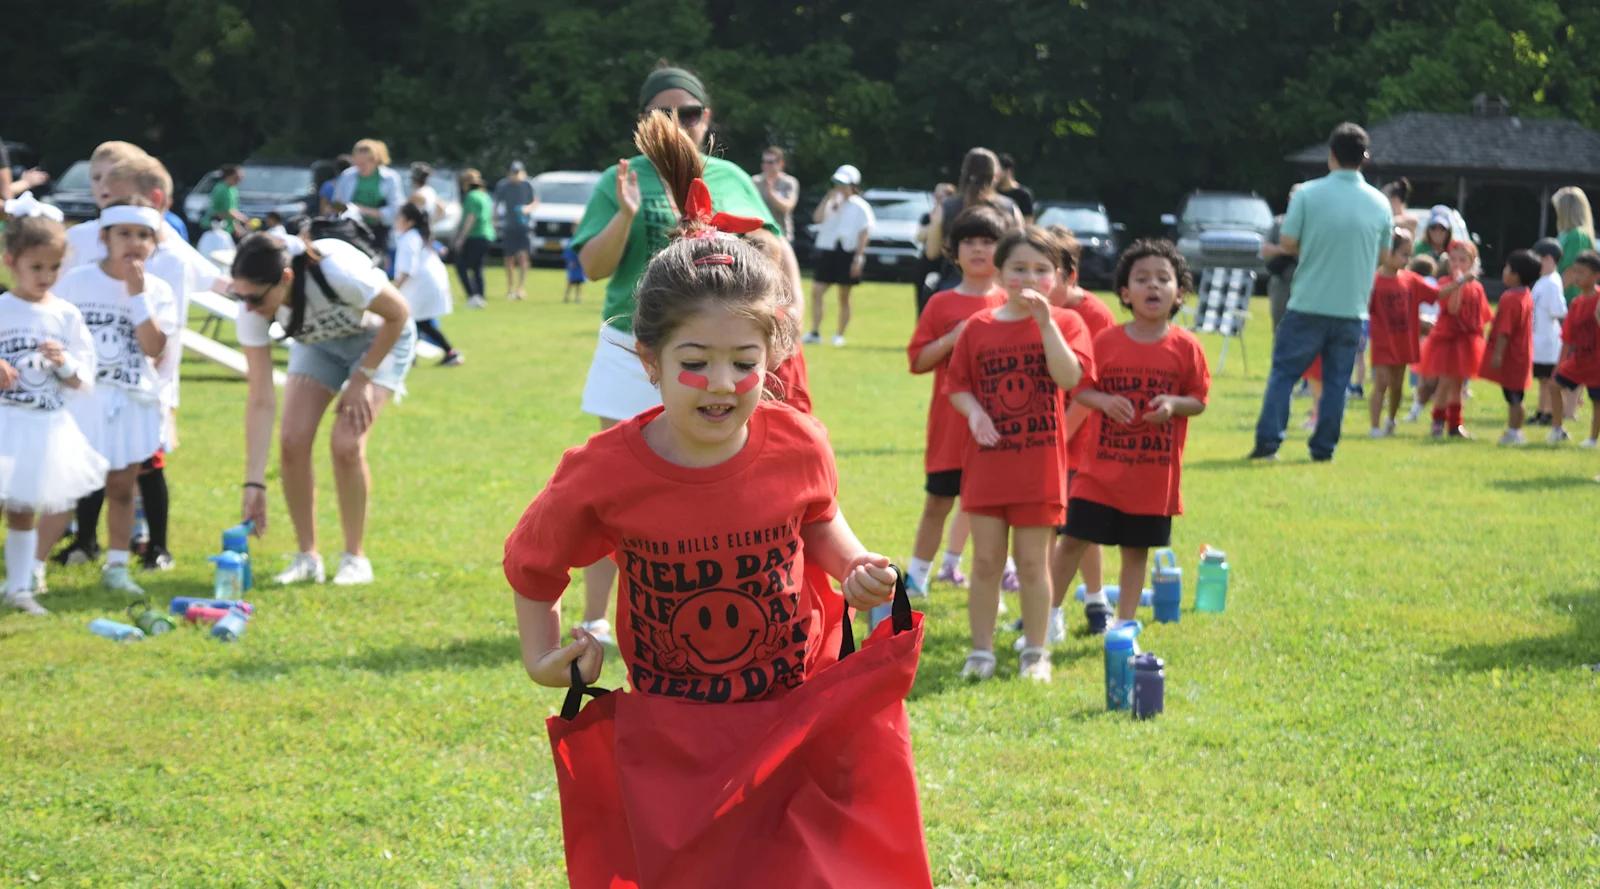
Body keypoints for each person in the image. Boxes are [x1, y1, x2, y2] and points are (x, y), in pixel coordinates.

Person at [504, 109, 906, 887]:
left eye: (743, 361)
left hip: (795, 715)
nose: (722, 384)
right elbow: (534, 564)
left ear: (774, 356)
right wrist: (540, 655)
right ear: (647, 360)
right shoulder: (603, 470)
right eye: (695, 362)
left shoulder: (798, 440)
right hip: (675, 737)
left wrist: (857, 565)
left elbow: (818, 518)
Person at [568, 64, 792, 647]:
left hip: (712, 349)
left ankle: (699, 600)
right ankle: (597, 616)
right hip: (633, 345)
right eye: (664, 114)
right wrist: (624, 212)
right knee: (619, 481)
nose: (679, 124)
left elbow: (768, 248)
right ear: (644, 121)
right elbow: (592, 268)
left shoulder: (728, 175)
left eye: (689, 113)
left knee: (714, 476)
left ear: (706, 118)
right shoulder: (620, 178)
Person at [945, 226, 1093, 682]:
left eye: (1041, 270)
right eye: (1019, 269)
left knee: (1033, 563)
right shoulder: (978, 327)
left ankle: (1036, 651)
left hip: (1039, 467)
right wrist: (973, 414)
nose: (1029, 278)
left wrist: (1046, 323)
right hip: (988, 467)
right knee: (987, 562)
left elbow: (1069, 380)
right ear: (999, 273)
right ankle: (982, 652)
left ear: (1057, 275)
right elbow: (958, 387)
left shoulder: (1067, 323)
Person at [229, 230, 416, 586]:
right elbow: (260, 398)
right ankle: (307, 557)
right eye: (241, 297)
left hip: (380, 339)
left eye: (254, 298)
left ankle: (355, 558)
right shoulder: (252, 309)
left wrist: (362, 378)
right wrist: (253, 482)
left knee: (346, 444)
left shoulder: (336, 272)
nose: (248, 307)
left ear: (285, 278)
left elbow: (399, 313)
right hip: (320, 347)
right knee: (292, 441)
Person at [1054, 239, 1209, 635]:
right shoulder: (1106, 341)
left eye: (1163, 278)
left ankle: (1123, 623)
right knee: (1073, 539)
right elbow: (1081, 390)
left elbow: (1198, 400)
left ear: (1179, 292)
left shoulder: (1187, 347)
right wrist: (1104, 401)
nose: (1152, 286)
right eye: (1142, 279)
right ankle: (1048, 615)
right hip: (1099, 472)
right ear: (1125, 293)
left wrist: (1173, 405)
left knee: (1134, 551)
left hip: (1151, 478)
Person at [35, 198, 177, 597]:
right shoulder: (77, 281)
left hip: (131, 401)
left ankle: (117, 566)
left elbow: (153, 347)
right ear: (105, 237)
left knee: (121, 486)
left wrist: (137, 294)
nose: (134, 243)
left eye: (143, 235)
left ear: (154, 243)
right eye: (124, 234)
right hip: (81, 399)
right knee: (64, 488)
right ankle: (32, 570)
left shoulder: (158, 290)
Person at [1249, 123, 1393, 463]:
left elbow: (1287, 242)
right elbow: (1387, 255)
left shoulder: (1307, 194)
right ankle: (1323, 449)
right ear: (1365, 158)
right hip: (1353, 308)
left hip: (1308, 303)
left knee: (1284, 374)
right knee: (1337, 382)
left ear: (1330, 156)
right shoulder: (1380, 203)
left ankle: (1269, 444)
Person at [0, 201, 105, 614]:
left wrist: (65, 365)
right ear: (11, 262)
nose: (45, 277)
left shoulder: (66, 315)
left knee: (24, 508)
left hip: (43, 429)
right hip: (3, 424)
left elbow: (86, 379)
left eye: (53, 267)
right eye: (36, 267)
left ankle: (20, 587)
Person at [903, 206, 1009, 598]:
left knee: (991, 513)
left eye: (988, 242)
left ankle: (992, 582)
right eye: (969, 242)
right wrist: (954, 337)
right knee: (938, 503)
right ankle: (916, 579)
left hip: (999, 429)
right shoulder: (941, 303)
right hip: (949, 428)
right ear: (954, 250)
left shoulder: (1010, 302)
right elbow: (917, 360)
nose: (979, 250)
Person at [1043, 225, 1117, 641]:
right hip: (1046, 440)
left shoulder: (1093, 315)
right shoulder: (1030, 312)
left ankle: (1095, 600)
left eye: (1044, 271)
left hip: (1081, 442)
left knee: (1081, 527)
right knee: (1053, 528)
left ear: (1068, 274)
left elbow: (1091, 389)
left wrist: (1059, 437)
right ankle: (1046, 606)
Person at [1366, 228, 1447, 437]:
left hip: (1403, 341)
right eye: (1404, 254)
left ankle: (1391, 420)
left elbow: (1436, 294)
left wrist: (1460, 283)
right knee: (1380, 383)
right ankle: (1374, 426)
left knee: (1397, 385)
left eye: (1409, 254)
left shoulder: (1410, 279)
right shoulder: (1374, 282)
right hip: (1383, 342)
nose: (1407, 259)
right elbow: (1363, 307)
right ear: (1387, 253)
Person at [923, 149, 1024, 292]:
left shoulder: (946, 207)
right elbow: (1018, 252)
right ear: (995, 175)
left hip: (954, 285)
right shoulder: (1010, 208)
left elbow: (931, 252)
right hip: (999, 289)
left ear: (964, 173)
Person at [1420, 241, 1489, 438]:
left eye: (1463, 260)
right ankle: (1438, 422)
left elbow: (1481, 316)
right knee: (1445, 382)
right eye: (1453, 260)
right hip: (1448, 341)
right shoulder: (1445, 284)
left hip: (1467, 341)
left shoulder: (1477, 288)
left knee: (1459, 384)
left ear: (1472, 263)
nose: (1457, 264)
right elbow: (1452, 309)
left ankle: (1455, 424)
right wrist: (1458, 284)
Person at [804, 165, 874, 346]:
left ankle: (839, 334)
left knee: (844, 295)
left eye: (843, 183)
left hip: (847, 253)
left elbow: (864, 233)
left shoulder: (860, 206)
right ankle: (815, 331)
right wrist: (828, 199)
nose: (839, 187)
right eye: (837, 183)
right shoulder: (831, 201)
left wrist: (859, 258)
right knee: (817, 291)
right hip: (828, 251)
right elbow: (818, 218)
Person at [1479, 249, 1540, 445]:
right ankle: (1514, 431)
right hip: (1523, 353)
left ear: (1515, 275)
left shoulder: (1509, 298)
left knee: (1513, 396)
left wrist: (1497, 355)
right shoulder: (1525, 295)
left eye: (1507, 268)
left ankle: (1514, 432)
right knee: (1516, 394)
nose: (1504, 271)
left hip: (1512, 356)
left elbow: (1505, 331)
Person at [393, 202, 462, 367]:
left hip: (423, 285)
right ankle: (413, 358)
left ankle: (448, 353)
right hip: (427, 284)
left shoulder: (409, 238)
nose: (396, 221)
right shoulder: (417, 236)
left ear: (409, 222)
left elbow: (407, 269)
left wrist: (394, 289)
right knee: (418, 322)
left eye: (400, 218)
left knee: (415, 321)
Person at [1549, 250, 1600, 446]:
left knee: (1597, 402)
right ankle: (1557, 429)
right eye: (1575, 272)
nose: (1576, 277)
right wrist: (1559, 364)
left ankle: (1593, 439)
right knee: (1554, 386)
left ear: (1596, 275)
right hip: (1579, 360)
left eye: (1582, 272)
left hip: (1597, 362)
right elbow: (1567, 337)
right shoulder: (1577, 303)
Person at [331, 140, 405, 255]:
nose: (360, 167)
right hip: (351, 230)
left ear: (376, 161)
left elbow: (396, 211)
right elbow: (336, 202)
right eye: (357, 162)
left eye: (364, 163)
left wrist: (363, 210)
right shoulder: (347, 175)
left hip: (379, 232)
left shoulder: (390, 178)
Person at [1529, 238, 1567, 427]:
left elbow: (1559, 310)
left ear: (1549, 259)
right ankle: (1541, 411)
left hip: (1548, 341)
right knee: (1542, 380)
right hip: (1539, 338)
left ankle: (1549, 412)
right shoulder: (1543, 280)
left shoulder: (1552, 282)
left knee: (1548, 379)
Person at [1261, 183, 1304, 331]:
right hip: (1281, 282)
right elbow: (1264, 249)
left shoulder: (1312, 224)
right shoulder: (1278, 222)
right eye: (1294, 198)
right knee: (1279, 325)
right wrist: (1285, 250)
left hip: (1305, 283)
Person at [494, 161, 538, 300]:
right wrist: (494, 220)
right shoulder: (503, 185)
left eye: (517, 173)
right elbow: (496, 203)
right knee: (509, 258)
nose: (515, 176)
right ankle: (510, 288)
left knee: (523, 256)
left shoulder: (528, 184)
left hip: (524, 226)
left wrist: (528, 208)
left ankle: (521, 287)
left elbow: (535, 201)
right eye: (513, 173)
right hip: (509, 226)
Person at [914, 183, 957, 316]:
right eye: (936, 195)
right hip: (927, 263)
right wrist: (935, 223)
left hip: (946, 263)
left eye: (942, 195)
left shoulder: (954, 217)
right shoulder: (927, 216)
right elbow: (919, 237)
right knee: (922, 299)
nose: (937, 198)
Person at [454, 169, 493, 308]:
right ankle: (480, 296)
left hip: (475, 235)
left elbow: (471, 218)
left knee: (461, 266)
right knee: (477, 268)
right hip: (487, 234)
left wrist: (461, 238)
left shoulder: (471, 196)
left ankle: (472, 296)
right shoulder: (485, 195)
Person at [1553, 187, 1595, 304]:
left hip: (1568, 300)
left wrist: (1553, 295)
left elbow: (1571, 271)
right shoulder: (1565, 234)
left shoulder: (1576, 235)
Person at [752, 146, 799, 241]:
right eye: (764, 161)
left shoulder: (789, 182)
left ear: (781, 164)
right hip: (759, 235)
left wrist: (771, 194)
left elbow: (787, 208)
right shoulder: (755, 181)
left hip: (782, 236)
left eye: (770, 162)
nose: (765, 165)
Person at [210, 163, 249, 239]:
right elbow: (228, 211)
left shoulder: (233, 189)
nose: (240, 179)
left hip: (227, 228)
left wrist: (237, 226)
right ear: (228, 176)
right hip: (215, 228)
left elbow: (233, 209)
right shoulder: (221, 189)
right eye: (237, 177)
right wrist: (245, 220)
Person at [995, 153, 1035, 224]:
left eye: (998, 170)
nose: (995, 174)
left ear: (1009, 171)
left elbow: (1028, 222)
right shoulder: (993, 192)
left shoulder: (1023, 194)